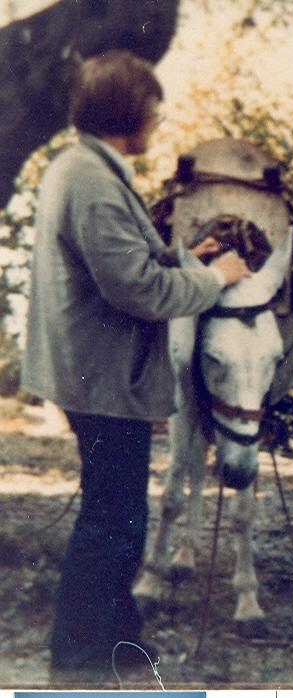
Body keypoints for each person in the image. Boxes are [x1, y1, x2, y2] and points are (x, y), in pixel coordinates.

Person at [21, 50, 250, 684]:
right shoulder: (93, 182)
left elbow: (126, 261)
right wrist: (215, 277)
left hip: (92, 370)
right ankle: (79, 663)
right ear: (130, 115)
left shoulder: (81, 166)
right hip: (102, 376)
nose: (157, 123)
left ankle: (118, 641)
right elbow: (137, 290)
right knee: (113, 520)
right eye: (154, 112)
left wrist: (184, 258)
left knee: (119, 514)